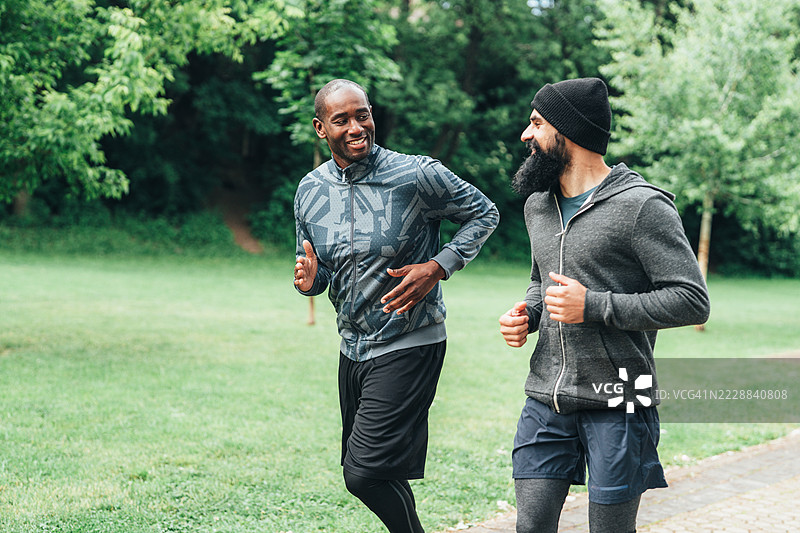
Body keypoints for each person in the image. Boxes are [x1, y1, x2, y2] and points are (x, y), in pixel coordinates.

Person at [498, 77, 710, 533]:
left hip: (622, 396)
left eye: (536, 123)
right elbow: (541, 279)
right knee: (530, 526)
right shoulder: (538, 204)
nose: (525, 135)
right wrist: (529, 313)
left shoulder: (641, 206)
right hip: (547, 394)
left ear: (568, 132)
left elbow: (692, 300)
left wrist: (593, 306)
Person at [293, 79, 499, 533]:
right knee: (377, 470)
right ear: (320, 128)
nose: (355, 127)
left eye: (362, 114)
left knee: (362, 473)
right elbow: (318, 269)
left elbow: (484, 212)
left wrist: (439, 266)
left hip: (410, 338)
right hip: (352, 347)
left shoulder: (414, 174)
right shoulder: (310, 191)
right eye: (341, 119)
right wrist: (310, 282)